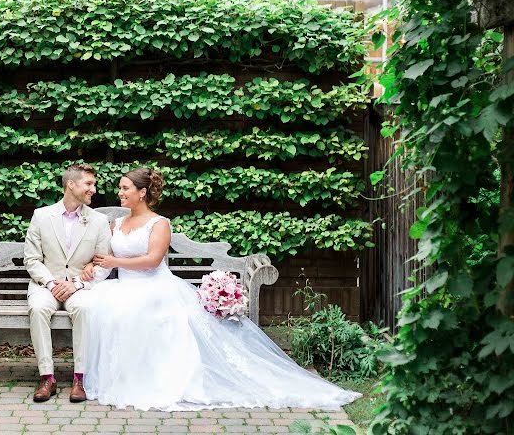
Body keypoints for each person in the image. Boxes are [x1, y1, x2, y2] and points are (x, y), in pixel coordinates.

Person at [81, 166, 362, 411]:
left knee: (138, 312)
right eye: (120, 188)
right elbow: (103, 258)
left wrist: (115, 261)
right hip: (123, 286)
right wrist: (91, 271)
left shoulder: (159, 223)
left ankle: (154, 379)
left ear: (142, 192)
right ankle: (124, 376)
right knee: (101, 307)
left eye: (125, 188)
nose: (120, 192)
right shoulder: (116, 223)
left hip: (154, 286)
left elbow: (153, 261)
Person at [23, 164, 112, 403]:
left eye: (94, 185)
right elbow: (31, 260)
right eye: (89, 184)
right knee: (39, 308)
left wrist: (76, 284)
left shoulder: (99, 221)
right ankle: (47, 377)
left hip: (80, 286)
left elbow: (104, 264)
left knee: (84, 308)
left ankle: (79, 378)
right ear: (71, 185)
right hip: (46, 284)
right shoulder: (41, 216)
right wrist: (52, 283)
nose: (93, 189)